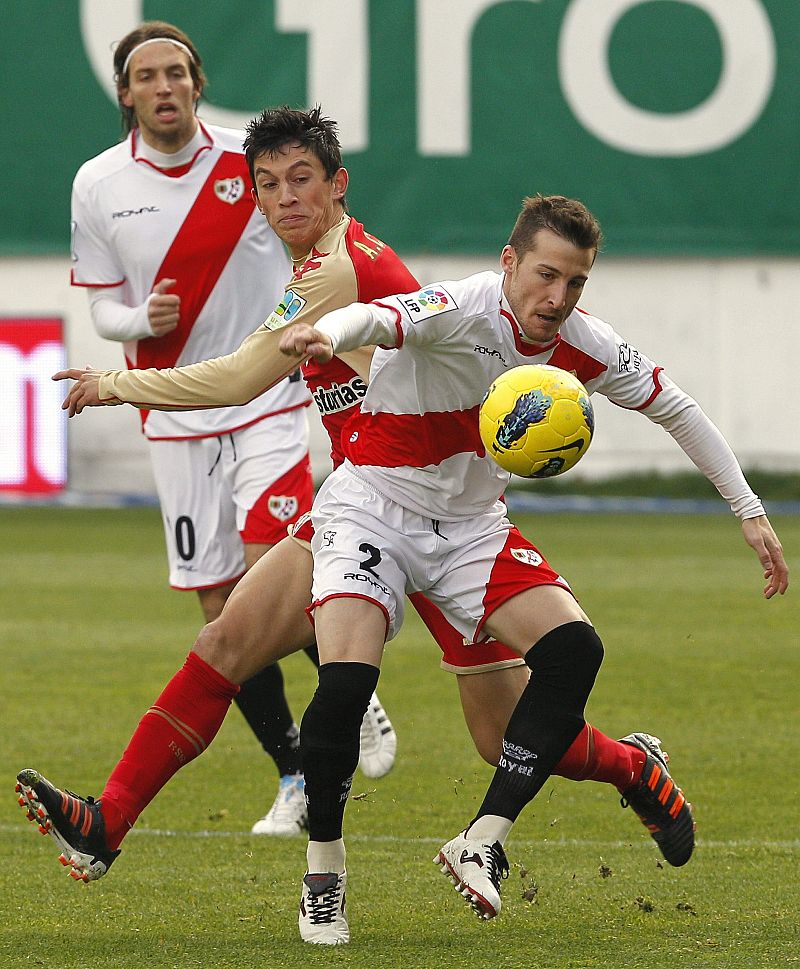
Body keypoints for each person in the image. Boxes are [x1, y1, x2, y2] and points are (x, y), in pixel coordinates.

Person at [275, 193, 789, 943]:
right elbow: (380, 319)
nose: (558, 297)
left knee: (575, 648)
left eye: (575, 282)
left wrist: (747, 508)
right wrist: (326, 332)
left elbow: (676, 406)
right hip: (371, 506)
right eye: (546, 275)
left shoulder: (583, 341)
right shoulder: (461, 305)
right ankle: (324, 872)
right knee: (347, 683)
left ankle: (483, 836)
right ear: (510, 262)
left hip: (472, 527)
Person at [66, 21, 395, 836]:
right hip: (178, 416)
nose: (165, 86)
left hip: (265, 399)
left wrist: (113, 382)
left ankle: (351, 684)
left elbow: (315, 275)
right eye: (148, 75)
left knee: (263, 576)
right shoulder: (99, 183)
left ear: (199, 80)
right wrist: (137, 319)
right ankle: (291, 772)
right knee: (222, 613)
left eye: (178, 70)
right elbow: (103, 303)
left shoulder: (251, 166)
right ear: (127, 94)